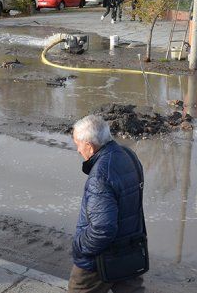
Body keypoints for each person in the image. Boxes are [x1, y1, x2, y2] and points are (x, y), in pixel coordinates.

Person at [70, 115, 146, 293]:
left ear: (89, 146)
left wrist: (79, 245)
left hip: (99, 260)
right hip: (130, 250)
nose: (77, 150)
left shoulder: (100, 175)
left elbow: (103, 229)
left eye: (77, 144)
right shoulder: (129, 156)